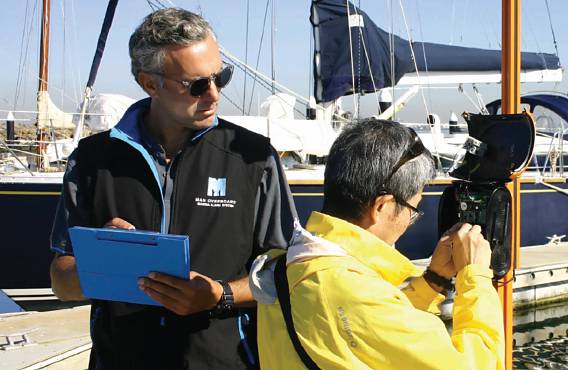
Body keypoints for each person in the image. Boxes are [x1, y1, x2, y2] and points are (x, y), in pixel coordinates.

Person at [49, 8, 297, 370]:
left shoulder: (254, 159)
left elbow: (289, 273)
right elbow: (60, 280)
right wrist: (101, 260)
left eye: (220, 77)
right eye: (197, 85)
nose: (214, 94)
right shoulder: (92, 160)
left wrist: (220, 296)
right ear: (151, 84)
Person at [251, 119, 505, 370]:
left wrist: (433, 280)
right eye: (413, 209)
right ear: (381, 206)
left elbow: (371, 335)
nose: (410, 220)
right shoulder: (353, 292)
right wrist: (476, 277)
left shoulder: (293, 263)